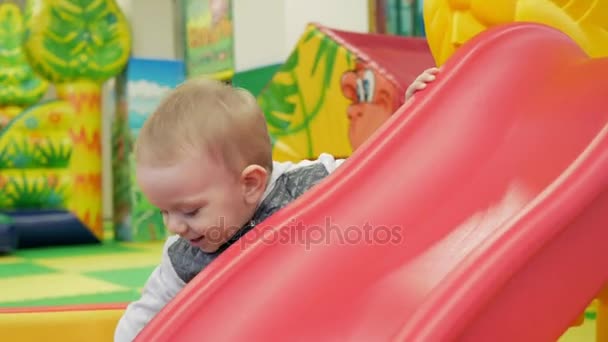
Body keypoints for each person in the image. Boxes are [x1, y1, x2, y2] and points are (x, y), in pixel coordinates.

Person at [114, 67, 439, 341]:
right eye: (164, 211)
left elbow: (383, 168)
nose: (174, 226)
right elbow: (147, 313)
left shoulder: (308, 186)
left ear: (250, 184)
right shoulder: (183, 256)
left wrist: (413, 118)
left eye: (190, 211)